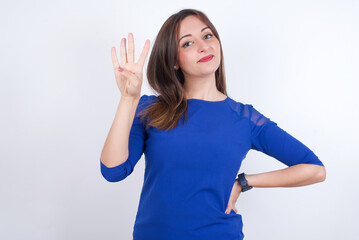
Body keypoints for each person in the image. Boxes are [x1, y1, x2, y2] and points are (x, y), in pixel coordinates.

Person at [100, 8, 326, 240]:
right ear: (173, 60)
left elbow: (315, 170)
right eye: (187, 43)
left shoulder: (245, 118)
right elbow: (113, 171)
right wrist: (128, 99)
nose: (203, 46)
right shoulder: (151, 109)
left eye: (207, 36)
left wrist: (244, 182)